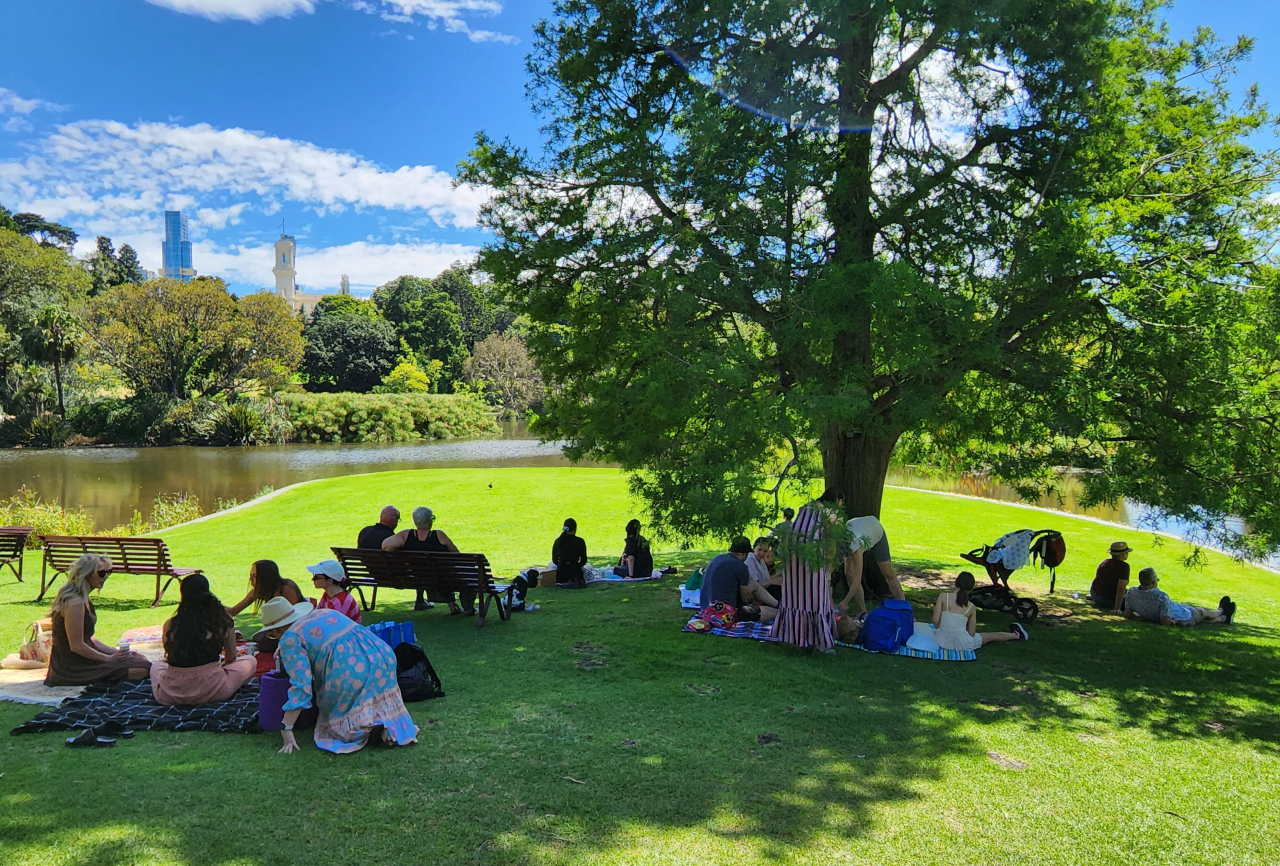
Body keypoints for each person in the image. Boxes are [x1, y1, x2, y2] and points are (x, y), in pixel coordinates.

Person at [255, 597, 418, 754]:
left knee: (337, 720)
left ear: (276, 630)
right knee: (374, 696)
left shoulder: (290, 639)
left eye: (272, 635)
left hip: (348, 670)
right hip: (380, 656)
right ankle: (388, 725)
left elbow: (301, 685)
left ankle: (362, 730)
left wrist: (287, 726)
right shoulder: (324, 613)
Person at [44, 554, 151, 686]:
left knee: (140, 659)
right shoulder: (74, 602)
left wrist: (116, 653)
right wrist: (109, 659)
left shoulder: (83, 598)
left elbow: (90, 638)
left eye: (108, 572)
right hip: (72, 666)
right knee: (142, 669)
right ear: (87, 574)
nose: (105, 576)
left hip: (84, 657)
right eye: (101, 573)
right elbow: (76, 645)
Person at [151, 574, 257, 705]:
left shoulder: (170, 624)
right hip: (213, 691)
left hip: (170, 695)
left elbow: (169, 658)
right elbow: (231, 658)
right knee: (250, 661)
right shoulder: (222, 621)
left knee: (157, 666)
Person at [771, 488, 842, 652]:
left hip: (793, 555)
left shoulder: (806, 507)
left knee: (796, 596)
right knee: (816, 598)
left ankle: (794, 636)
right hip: (813, 558)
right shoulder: (830, 513)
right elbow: (831, 543)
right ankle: (818, 640)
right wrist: (829, 570)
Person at [383, 506, 471, 614]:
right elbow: (456, 555)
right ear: (429, 522)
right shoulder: (439, 535)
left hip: (419, 576)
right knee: (470, 573)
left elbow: (386, 545)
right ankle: (468, 608)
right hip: (444, 577)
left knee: (438, 573)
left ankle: (453, 606)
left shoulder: (407, 535)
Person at [929, 572, 1028, 651]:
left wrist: (944, 631)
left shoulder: (943, 596)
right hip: (963, 644)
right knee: (989, 636)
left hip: (941, 641)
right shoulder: (971, 607)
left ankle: (1016, 635)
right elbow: (971, 633)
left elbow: (935, 621)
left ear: (955, 583)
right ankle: (1016, 635)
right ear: (971, 588)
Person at [836, 514, 906, 618]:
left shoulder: (855, 545)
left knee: (888, 573)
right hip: (860, 529)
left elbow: (857, 578)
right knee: (848, 572)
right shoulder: (839, 539)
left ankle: (905, 610)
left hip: (876, 531)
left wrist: (846, 601)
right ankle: (863, 611)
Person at [1124, 568, 1235, 626]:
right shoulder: (1161, 597)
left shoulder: (1131, 592)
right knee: (1203, 612)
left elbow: (1128, 614)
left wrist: (1144, 613)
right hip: (1184, 615)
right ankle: (1221, 612)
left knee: (1200, 616)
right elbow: (1166, 621)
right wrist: (1175, 623)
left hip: (1174, 611)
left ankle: (1225, 618)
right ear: (1153, 582)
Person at [701, 536, 775, 623]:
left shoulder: (718, 558)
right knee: (772, 612)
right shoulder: (740, 566)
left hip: (705, 607)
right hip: (725, 612)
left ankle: (777, 604)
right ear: (744, 553)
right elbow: (745, 599)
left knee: (751, 581)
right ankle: (780, 608)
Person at [225, 559, 305, 617]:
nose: (250, 579)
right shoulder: (259, 591)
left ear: (266, 578)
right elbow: (233, 611)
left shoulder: (286, 588)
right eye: (251, 575)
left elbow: (293, 616)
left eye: (255, 576)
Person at [308, 560, 362, 624]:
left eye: (316, 577)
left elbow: (336, 627)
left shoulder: (342, 602)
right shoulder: (328, 594)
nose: (312, 579)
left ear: (329, 581)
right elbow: (316, 614)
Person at [1089, 541, 1132, 613]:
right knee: (1135, 603)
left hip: (1095, 594)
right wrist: (1117, 608)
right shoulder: (1123, 567)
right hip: (1107, 599)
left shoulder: (1105, 562)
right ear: (1123, 555)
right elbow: (1121, 588)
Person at [745, 536, 783, 605]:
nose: (762, 553)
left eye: (765, 551)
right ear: (754, 548)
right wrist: (771, 582)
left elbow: (765, 579)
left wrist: (777, 576)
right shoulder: (750, 561)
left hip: (763, 590)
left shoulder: (761, 560)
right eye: (759, 550)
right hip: (755, 595)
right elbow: (756, 586)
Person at [552, 518, 589, 587]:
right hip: (575, 573)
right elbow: (583, 560)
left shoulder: (558, 541)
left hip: (561, 574)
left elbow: (554, 560)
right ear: (575, 529)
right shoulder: (580, 541)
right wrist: (577, 566)